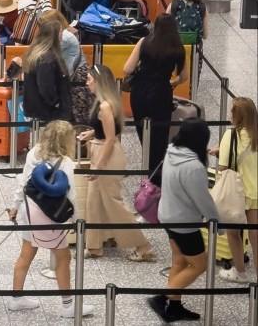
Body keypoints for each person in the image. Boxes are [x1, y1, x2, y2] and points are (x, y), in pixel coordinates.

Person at [6, 119, 93, 318]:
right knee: (64, 258)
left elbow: (23, 181)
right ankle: (68, 305)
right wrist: (78, 220)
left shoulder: (34, 152)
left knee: (26, 255)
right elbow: (71, 194)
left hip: (30, 209)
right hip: (49, 215)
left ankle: (16, 298)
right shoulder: (66, 162)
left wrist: (14, 206)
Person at [77, 65, 156, 261]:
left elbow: (111, 139)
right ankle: (95, 245)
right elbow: (108, 131)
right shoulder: (107, 101)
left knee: (113, 202)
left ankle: (142, 244)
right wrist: (92, 133)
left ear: (98, 80)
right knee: (93, 201)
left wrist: (98, 165)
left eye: (89, 79)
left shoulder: (104, 105)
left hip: (107, 156)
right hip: (103, 150)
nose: (87, 83)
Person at [152, 119, 220, 322]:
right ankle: (163, 296)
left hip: (166, 214)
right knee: (200, 264)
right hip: (184, 223)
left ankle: (173, 306)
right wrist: (217, 222)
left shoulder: (171, 150)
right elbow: (202, 200)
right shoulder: (193, 167)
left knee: (180, 260)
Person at [124, 14, 189, 184]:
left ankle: (147, 171)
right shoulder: (178, 49)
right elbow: (184, 77)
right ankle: (156, 177)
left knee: (143, 132)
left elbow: (127, 68)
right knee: (159, 137)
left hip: (140, 93)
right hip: (161, 93)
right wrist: (172, 82)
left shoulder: (144, 42)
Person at [213, 97, 258, 283]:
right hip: (255, 193)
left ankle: (239, 271)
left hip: (236, 193)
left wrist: (219, 153)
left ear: (235, 115)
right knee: (255, 239)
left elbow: (224, 167)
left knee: (233, 233)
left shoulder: (230, 136)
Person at [20, 20, 71, 122]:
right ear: (55, 35)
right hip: (49, 113)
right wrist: (56, 103)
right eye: (61, 32)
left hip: (39, 110)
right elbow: (46, 86)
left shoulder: (34, 54)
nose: (62, 35)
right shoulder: (47, 57)